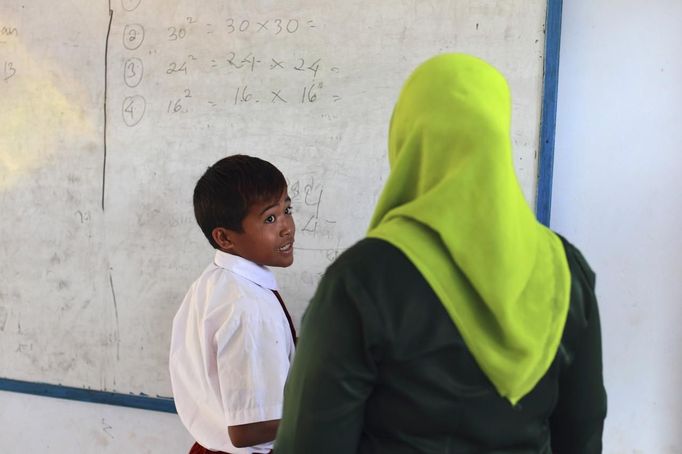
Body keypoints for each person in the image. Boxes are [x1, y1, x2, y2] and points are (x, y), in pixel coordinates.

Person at [274, 54, 606, 453]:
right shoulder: (566, 270)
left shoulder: (364, 279)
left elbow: (310, 444)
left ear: (408, 138)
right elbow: (583, 434)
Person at [169, 154, 297, 454]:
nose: (287, 227)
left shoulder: (217, 282)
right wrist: (327, 409)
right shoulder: (248, 308)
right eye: (270, 218)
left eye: (287, 210)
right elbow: (247, 431)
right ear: (225, 238)